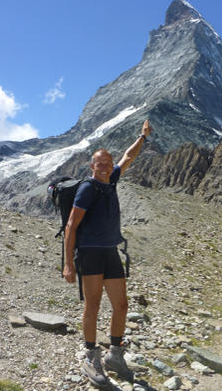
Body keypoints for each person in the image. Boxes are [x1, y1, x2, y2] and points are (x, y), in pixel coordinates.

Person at [63, 119, 152, 387]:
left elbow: (128, 157)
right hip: (90, 253)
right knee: (93, 305)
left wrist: (143, 137)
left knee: (121, 305)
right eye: (99, 164)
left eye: (107, 163)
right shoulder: (88, 188)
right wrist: (69, 265)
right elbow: (71, 225)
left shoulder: (111, 179)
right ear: (92, 167)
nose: (105, 167)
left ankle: (115, 354)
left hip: (110, 252)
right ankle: (91, 356)